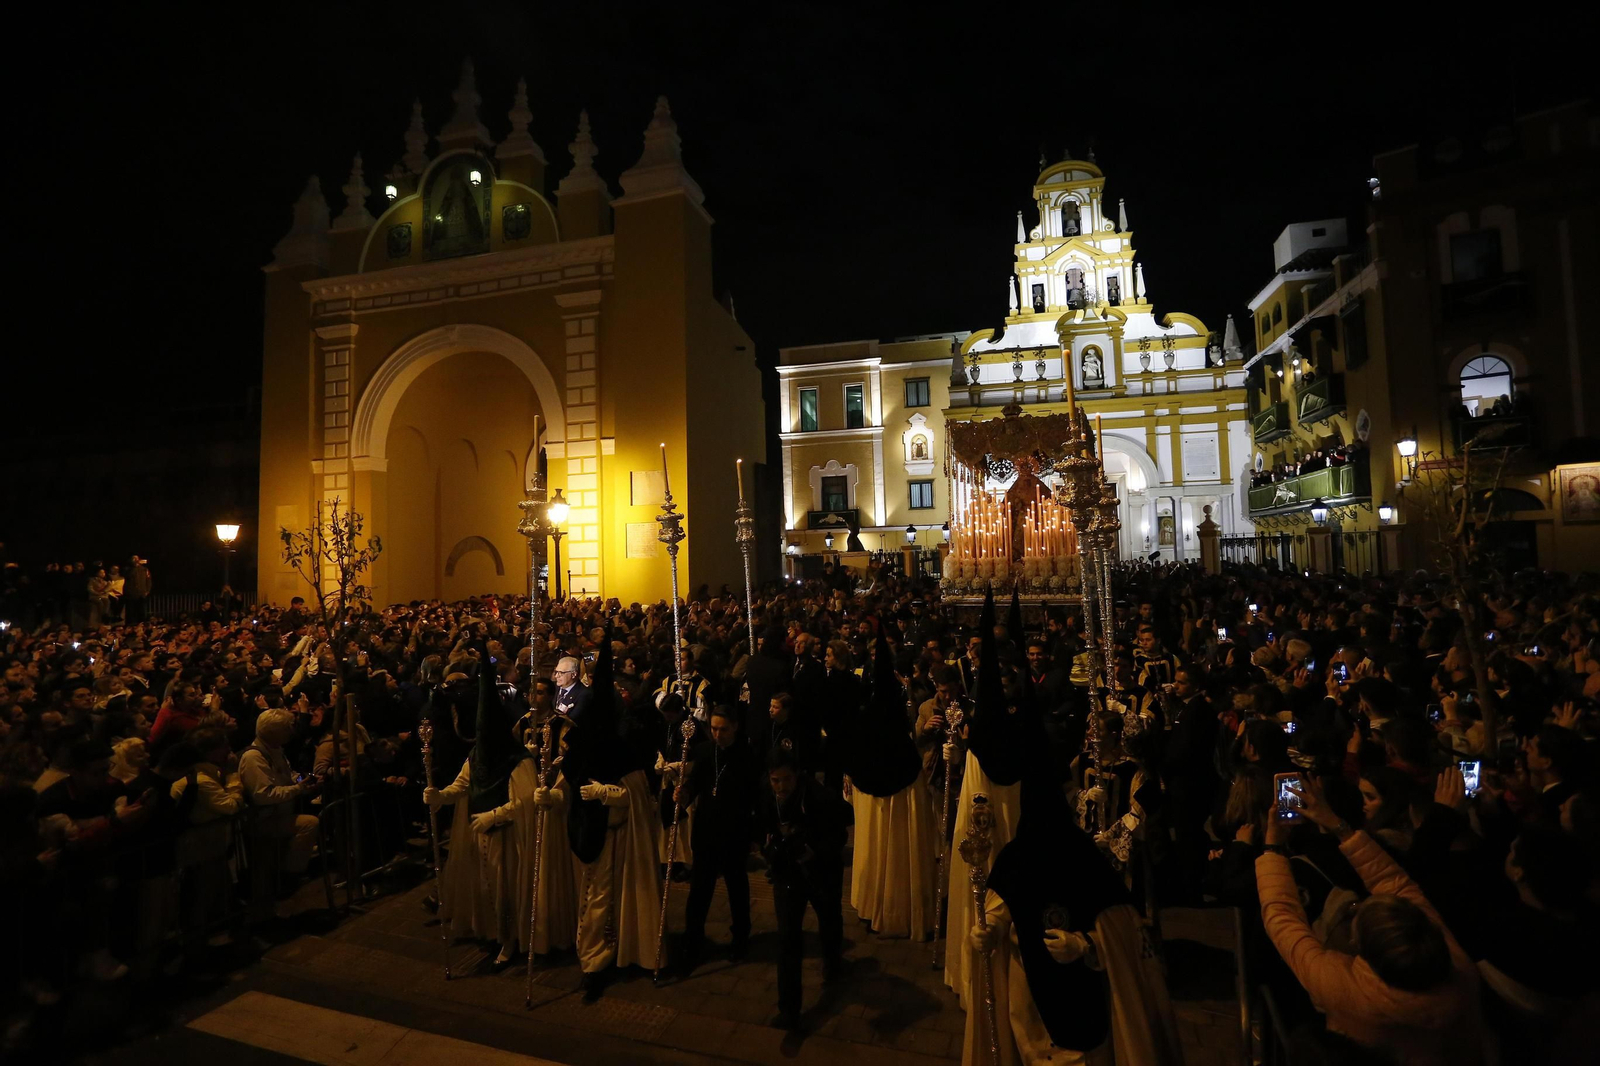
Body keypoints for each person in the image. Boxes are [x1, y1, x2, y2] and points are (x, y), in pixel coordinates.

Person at [1258, 775, 1483, 1064]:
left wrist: (1273, 846)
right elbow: (1396, 884)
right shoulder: (1458, 964)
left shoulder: (1346, 990)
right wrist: (1337, 826)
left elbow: (1282, 918)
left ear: (1360, 946)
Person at [964, 776, 1184, 1065]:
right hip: (1030, 997)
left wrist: (1085, 945)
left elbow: (1122, 932)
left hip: (1084, 1000)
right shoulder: (1016, 859)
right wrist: (987, 931)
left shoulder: (1083, 860)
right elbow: (998, 912)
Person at [562, 636, 660, 999]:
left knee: (608, 900)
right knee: (592, 899)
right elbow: (566, 780)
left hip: (618, 836)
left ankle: (604, 956)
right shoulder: (581, 742)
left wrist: (607, 793)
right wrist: (552, 796)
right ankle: (593, 956)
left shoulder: (624, 744)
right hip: (587, 835)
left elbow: (636, 792)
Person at [424, 653, 539, 964]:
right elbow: (462, 785)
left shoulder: (517, 760)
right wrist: (439, 796)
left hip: (507, 836)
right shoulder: (478, 755)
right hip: (479, 836)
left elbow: (526, 800)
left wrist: (495, 815)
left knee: (506, 891)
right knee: (484, 887)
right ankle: (490, 932)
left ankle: (510, 939)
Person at [843, 628, 936, 940]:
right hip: (902, 793)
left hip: (876, 795)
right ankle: (899, 908)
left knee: (874, 848)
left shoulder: (867, 718)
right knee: (899, 854)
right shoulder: (892, 721)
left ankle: (877, 907)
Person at [761, 748, 850, 1030]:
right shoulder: (765, 795)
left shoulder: (820, 797)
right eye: (775, 780)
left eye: (786, 780)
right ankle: (789, 1009)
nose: (781, 787)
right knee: (787, 939)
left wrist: (815, 850)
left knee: (829, 919)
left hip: (821, 872)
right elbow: (759, 826)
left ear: (797, 775)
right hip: (787, 874)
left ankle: (833, 962)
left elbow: (841, 835)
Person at [676, 705, 757, 969]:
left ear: (735, 727)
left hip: (734, 832)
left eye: (722, 729)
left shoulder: (748, 756)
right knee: (699, 890)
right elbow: (697, 782)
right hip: (706, 830)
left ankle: (740, 939)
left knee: (736, 888)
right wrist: (684, 793)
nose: (717, 734)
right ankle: (692, 941)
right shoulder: (704, 751)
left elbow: (754, 796)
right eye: (713, 728)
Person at [237, 708, 322, 923]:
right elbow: (263, 795)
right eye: (288, 728)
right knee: (309, 824)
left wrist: (303, 780)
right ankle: (290, 876)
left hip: (279, 814)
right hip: (264, 820)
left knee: (266, 872)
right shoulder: (254, 758)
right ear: (275, 732)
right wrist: (298, 790)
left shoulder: (275, 750)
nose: (291, 732)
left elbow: (287, 775)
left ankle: (273, 903)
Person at [552, 655, 591, 722]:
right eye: (556, 672)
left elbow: (573, 720)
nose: (556, 676)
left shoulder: (584, 694)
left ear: (573, 674)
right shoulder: (553, 688)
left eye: (561, 673)